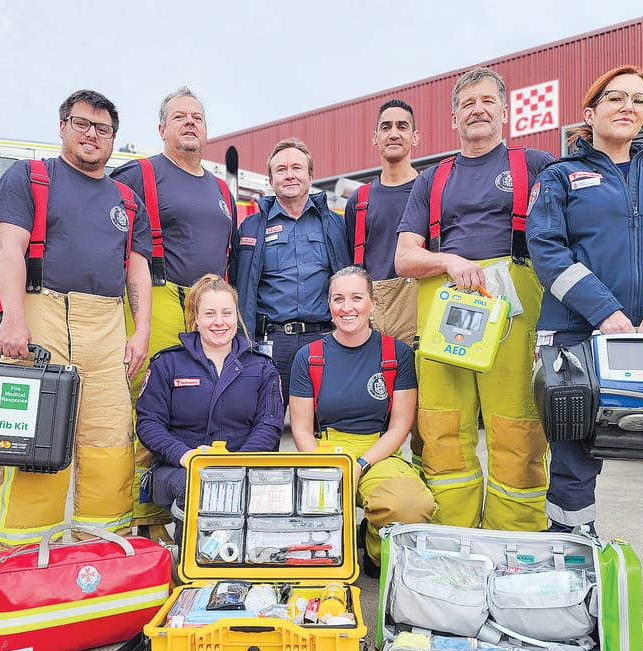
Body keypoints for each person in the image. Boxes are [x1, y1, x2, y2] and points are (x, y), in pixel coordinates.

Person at [526, 65, 643, 635]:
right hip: (581, 336)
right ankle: (571, 572)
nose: (627, 107)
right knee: (572, 458)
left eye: (638, 100)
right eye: (614, 97)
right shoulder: (560, 178)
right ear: (589, 113)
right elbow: (546, 248)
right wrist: (605, 313)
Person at [0, 89, 152, 549]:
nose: (92, 135)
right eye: (82, 124)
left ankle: (104, 556)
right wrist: (13, 320)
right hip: (42, 317)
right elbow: (9, 249)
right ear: (62, 127)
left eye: (103, 129)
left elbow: (137, 266)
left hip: (107, 324)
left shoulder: (127, 198)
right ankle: (16, 561)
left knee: (110, 442)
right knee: (35, 440)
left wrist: (143, 332)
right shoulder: (31, 177)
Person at [395, 67, 553, 532]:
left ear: (504, 111)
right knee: (442, 429)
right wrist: (448, 261)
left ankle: (515, 543)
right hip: (446, 307)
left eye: (487, 101)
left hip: (516, 309)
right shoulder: (432, 179)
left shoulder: (538, 166)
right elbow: (404, 258)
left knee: (518, 428)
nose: (477, 109)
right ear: (454, 118)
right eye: (467, 103)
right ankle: (451, 540)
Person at [112, 86, 237, 540]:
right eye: (180, 116)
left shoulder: (220, 187)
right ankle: (140, 522)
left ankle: (186, 507)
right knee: (150, 403)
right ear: (161, 128)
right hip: (161, 296)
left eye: (198, 117)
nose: (190, 123)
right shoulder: (139, 174)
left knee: (199, 405)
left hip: (209, 306)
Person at [288, 266, 435, 577]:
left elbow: (399, 427)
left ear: (373, 303)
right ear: (329, 305)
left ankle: (372, 547)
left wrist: (360, 464)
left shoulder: (397, 354)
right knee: (302, 519)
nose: (347, 307)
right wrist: (326, 468)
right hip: (324, 450)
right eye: (338, 299)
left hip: (378, 452)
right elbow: (301, 429)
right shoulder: (309, 356)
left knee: (410, 505)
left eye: (356, 298)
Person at [135, 274, 284, 536]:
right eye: (210, 314)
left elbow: (269, 425)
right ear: (196, 317)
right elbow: (148, 423)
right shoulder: (167, 364)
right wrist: (184, 455)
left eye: (226, 313)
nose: (219, 322)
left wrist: (237, 464)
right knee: (200, 487)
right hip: (180, 469)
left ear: (236, 316)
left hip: (244, 466)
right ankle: (195, 559)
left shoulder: (261, 366)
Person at [232, 138, 350, 406]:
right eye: (281, 169)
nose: (289, 175)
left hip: (323, 339)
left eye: (296, 168)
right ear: (270, 180)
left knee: (326, 428)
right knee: (265, 426)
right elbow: (238, 283)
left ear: (310, 175)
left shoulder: (335, 225)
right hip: (271, 342)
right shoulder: (250, 229)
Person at [343, 99, 421, 344]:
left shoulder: (431, 190)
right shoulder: (359, 200)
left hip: (423, 317)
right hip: (375, 322)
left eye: (402, 126)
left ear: (415, 137)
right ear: (375, 138)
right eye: (386, 127)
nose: (394, 133)